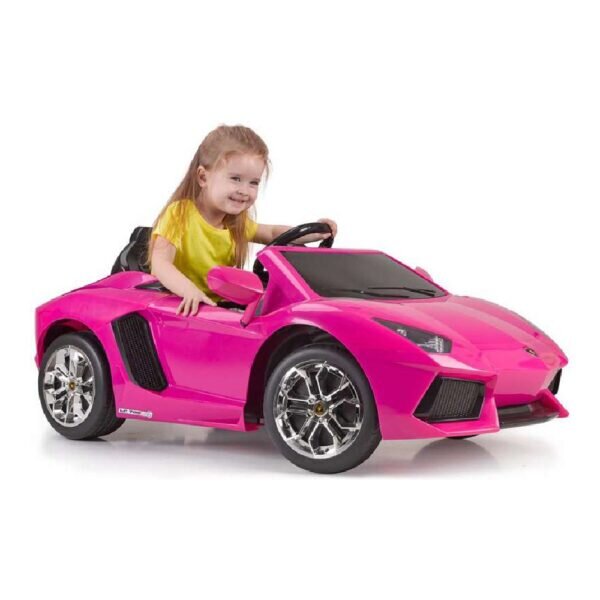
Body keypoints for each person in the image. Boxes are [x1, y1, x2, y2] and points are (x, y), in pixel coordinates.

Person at [148, 124, 337, 317]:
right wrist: (189, 291)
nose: (244, 191)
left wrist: (313, 233)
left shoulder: (235, 223)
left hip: (217, 308)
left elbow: (272, 233)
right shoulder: (180, 214)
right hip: (180, 306)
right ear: (203, 177)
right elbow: (160, 263)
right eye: (235, 179)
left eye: (253, 182)